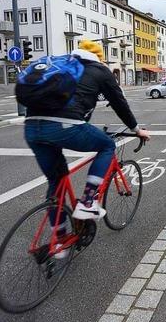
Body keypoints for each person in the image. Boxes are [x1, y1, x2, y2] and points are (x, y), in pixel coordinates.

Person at [25, 40, 150, 223]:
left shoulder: (60, 65)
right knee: (107, 145)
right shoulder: (99, 69)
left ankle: (59, 243)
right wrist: (137, 130)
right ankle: (88, 202)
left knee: (56, 180)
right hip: (65, 125)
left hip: (31, 127)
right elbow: (119, 103)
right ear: (99, 57)